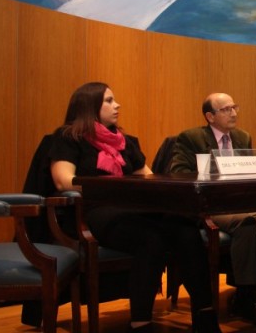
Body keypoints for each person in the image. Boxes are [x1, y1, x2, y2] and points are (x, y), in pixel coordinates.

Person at [48, 82, 220, 333]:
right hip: (94, 210)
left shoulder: (126, 142)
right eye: (108, 100)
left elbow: (148, 178)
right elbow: (63, 181)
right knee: (150, 239)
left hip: (133, 208)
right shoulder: (68, 137)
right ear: (89, 106)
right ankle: (141, 322)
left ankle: (205, 315)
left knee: (185, 229)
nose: (116, 105)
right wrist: (115, 189)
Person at [168, 93, 256, 318]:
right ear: (210, 116)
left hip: (240, 201)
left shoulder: (243, 137)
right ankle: (245, 294)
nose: (233, 113)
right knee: (246, 222)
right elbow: (180, 174)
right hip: (210, 206)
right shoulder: (191, 138)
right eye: (226, 109)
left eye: (235, 107)